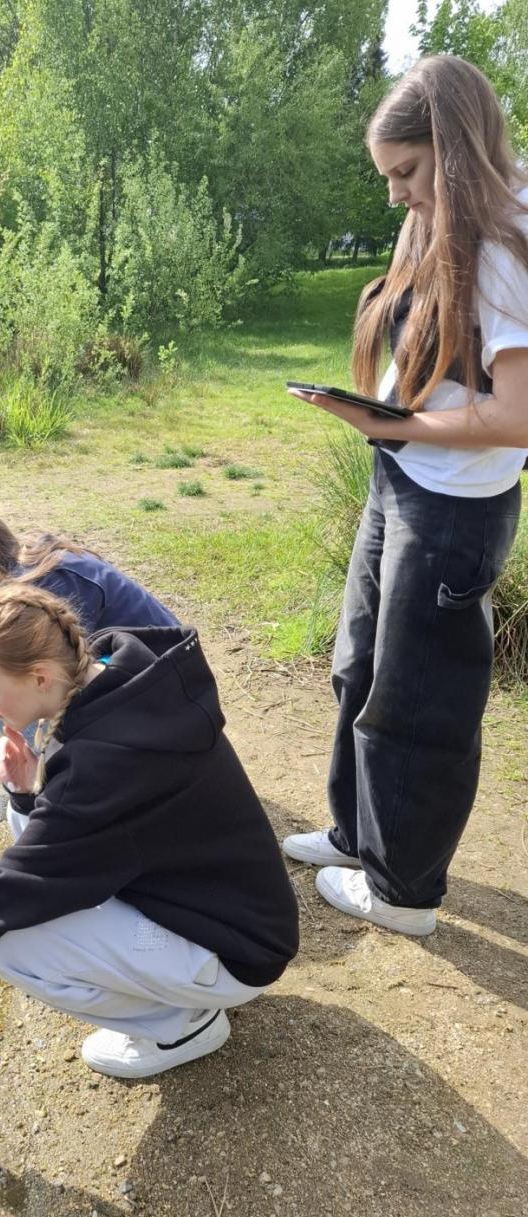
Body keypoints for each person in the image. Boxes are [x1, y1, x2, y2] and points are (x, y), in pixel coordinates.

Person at [0, 583, 298, 1079]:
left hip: (237, 950)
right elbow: (78, 840)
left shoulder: (104, 763)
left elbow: (3, 891)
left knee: (13, 944)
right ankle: (179, 996)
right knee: (29, 851)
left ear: (39, 677)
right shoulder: (124, 684)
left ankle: (181, 1026)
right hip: (229, 908)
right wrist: (26, 792)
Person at [285, 55, 528, 936]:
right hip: (403, 479)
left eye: (406, 173)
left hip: (452, 507)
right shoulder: (444, 219)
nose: (393, 196)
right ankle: (358, 835)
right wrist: (380, 419)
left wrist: (394, 429)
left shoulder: (503, 241)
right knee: (358, 666)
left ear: (453, 150)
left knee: (419, 698)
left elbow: (515, 417)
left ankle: (403, 894)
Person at [0, 505, 179, 777]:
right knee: (0, 708)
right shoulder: (21, 570)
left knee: (7, 710)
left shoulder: (43, 586)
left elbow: (25, 676)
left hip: (165, 691)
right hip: (140, 675)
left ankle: (78, 778)